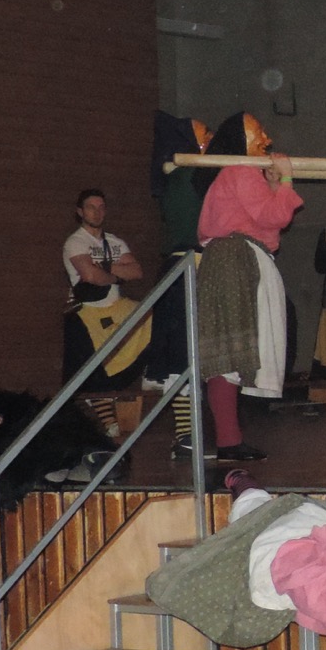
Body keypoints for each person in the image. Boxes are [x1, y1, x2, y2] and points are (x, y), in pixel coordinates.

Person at [195, 114, 303, 462]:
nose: (266, 139)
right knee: (230, 350)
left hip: (230, 260)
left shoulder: (238, 174)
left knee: (227, 352)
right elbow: (274, 218)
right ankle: (228, 441)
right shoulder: (240, 170)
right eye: (258, 132)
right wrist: (287, 179)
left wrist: (273, 186)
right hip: (235, 261)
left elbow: (263, 221)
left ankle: (229, 439)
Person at [61, 188, 147, 437]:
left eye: (101, 207)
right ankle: (107, 418)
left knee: (152, 317)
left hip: (116, 307)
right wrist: (117, 273)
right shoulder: (76, 242)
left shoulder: (115, 241)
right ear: (80, 212)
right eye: (91, 207)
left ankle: (154, 374)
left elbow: (137, 271)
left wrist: (105, 269)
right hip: (89, 311)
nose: (97, 212)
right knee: (93, 366)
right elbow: (90, 276)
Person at [150, 112, 211, 457]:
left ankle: (189, 434)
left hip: (182, 268)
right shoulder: (189, 176)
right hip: (189, 268)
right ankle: (187, 434)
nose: (210, 140)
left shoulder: (178, 176)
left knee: (182, 353)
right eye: (203, 135)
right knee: (184, 354)